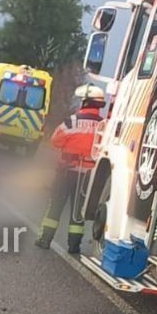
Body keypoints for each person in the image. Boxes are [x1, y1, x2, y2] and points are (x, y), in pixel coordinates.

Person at [35, 84, 105, 254]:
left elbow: (55, 141)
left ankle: (45, 239)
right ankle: (74, 246)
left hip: (67, 171)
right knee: (78, 212)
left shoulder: (71, 121)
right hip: (89, 176)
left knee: (56, 205)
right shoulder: (104, 126)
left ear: (85, 103)